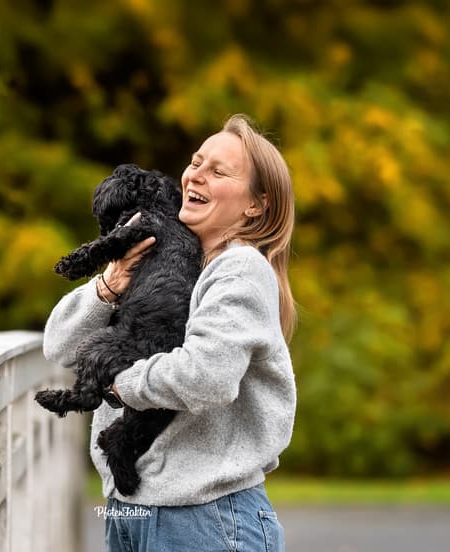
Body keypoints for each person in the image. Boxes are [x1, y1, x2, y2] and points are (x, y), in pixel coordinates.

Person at [43, 113, 297, 551]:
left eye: (218, 171)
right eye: (196, 162)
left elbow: (206, 376)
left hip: (203, 518)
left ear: (256, 204)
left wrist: (116, 383)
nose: (196, 175)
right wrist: (109, 284)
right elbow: (58, 347)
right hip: (132, 507)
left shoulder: (239, 269)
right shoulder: (161, 255)